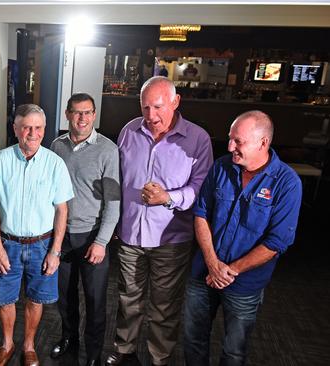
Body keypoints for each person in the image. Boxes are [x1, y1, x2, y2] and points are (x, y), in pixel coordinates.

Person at [106, 76, 213, 366]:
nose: (151, 116)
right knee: (128, 298)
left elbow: (200, 191)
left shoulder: (198, 139)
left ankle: (159, 358)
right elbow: (119, 180)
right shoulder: (129, 131)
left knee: (164, 306)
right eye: (145, 108)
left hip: (171, 239)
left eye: (158, 107)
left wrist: (168, 197)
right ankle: (125, 350)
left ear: (176, 102)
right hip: (130, 234)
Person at [183, 111, 302, 366]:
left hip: (244, 284)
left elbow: (277, 242)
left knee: (234, 351)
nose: (230, 147)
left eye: (239, 141)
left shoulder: (287, 182)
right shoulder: (221, 167)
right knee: (193, 340)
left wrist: (230, 271)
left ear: (263, 143)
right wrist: (213, 264)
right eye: (230, 139)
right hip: (204, 271)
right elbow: (201, 214)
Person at [0, 104, 74, 366]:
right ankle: (7, 344)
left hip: (42, 245)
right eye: (26, 127)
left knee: (36, 299)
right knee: (5, 299)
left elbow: (62, 209)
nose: (32, 133)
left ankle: (28, 345)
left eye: (38, 128)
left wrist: (55, 251)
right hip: (8, 244)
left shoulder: (55, 164)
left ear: (44, 130)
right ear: (15, 129)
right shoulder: (0, 160)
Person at [50, 93, 121, 366]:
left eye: (88, 112)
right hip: (62, 237)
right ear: (68, 114)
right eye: (77, 112)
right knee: (65, 298)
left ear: (94, 115)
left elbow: (113, 202)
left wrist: (102, 241)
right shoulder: (57, 146)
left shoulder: (108, 150)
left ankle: (93, 353)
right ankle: (69, 340)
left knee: (94, 301)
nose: (82, 118)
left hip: (92, 237)